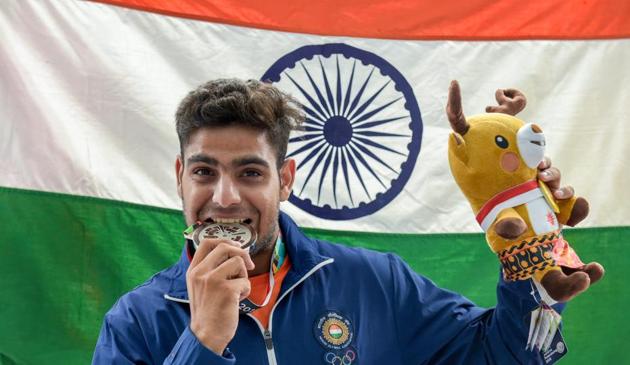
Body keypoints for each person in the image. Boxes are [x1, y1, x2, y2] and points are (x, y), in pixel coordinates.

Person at [93, 78, 578, 364]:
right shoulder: (134, 322)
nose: (224, 198)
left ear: (285, 180)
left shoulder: (375, 282)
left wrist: (531, 252)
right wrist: (201, 342)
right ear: (180, 177)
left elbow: (503, 356)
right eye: (204, 171)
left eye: (250, 172)